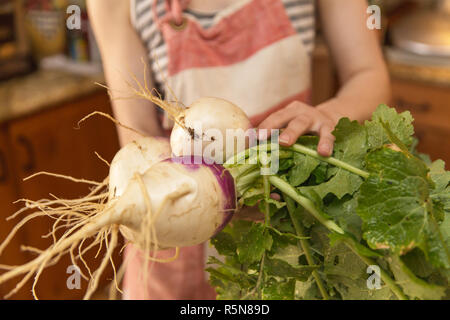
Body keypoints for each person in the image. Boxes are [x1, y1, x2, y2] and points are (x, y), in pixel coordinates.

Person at [87, 0, 390, 299]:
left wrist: (331, 114)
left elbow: (367, 73)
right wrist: (210, 192)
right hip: (174, 224)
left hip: (284, 231)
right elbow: (137, 139)